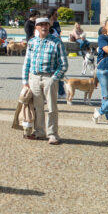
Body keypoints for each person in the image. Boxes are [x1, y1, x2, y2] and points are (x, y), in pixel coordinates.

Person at [21, 16, 68, 145]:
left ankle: (53, 134)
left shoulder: (57, 43)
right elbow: (27, 62)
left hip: (49, 77)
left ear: (49, 27)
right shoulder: (32, 42)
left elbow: (63, 64)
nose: (44, 27)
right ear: (36, 27)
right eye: (41, 25)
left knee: (52, 107)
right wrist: (25, 80)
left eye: (46, 25)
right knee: (38, 107)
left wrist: (54, 79)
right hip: (34, 78)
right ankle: (40, 132)